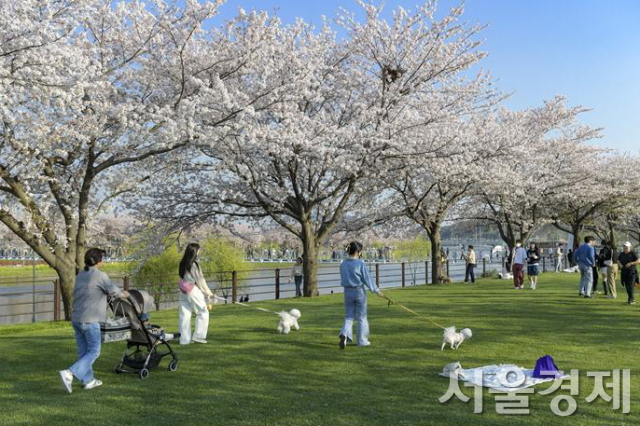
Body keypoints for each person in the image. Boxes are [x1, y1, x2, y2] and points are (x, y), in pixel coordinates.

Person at [59, 248, 129, 393]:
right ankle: (70, 373)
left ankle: (88, 381)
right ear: (98, 262)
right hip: (90, 320)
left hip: (77, 319)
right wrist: (124, 294)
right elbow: (114, 291)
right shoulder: (100, 276)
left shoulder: (80, 275)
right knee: (94, 351)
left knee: (83, 352)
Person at [338, 241, 384, 349]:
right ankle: (362, 340)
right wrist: (376, 290)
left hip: (347, 291)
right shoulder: (360, 264)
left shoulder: (343, 264)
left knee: (349, 316)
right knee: (361, 317)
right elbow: (367, 279)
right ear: (358, 252)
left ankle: (344, 334)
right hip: (358, 291)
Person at [178, 243, 213, 345]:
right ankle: (199, 336)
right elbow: (200, 280)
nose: (199, 252)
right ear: (195, 252)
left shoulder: (182, 263)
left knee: (184, 315)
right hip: (193, 291)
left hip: (183, 292)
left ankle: (184, 340)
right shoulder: (194, 264)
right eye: (198, 250)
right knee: (203, 312)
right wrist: (208, 292)